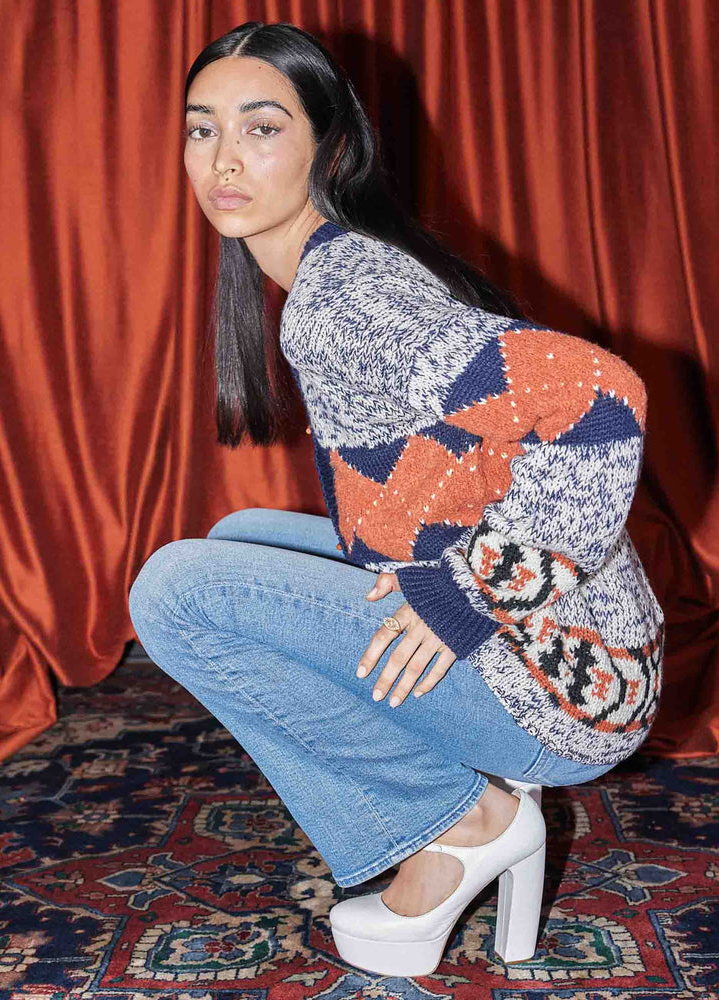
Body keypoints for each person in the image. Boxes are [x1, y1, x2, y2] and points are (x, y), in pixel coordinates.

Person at [128, 20, 665, 977]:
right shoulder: (332, 268)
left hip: (565, 684)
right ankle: (461, 805)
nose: (223, 160)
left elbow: (599, 402)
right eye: (201, 129)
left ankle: (459, 821)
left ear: (327, 146)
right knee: (240, 537)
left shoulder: (347, 297)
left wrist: (470, 596)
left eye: (261, 128)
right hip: (583, 642)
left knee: (176, 591)